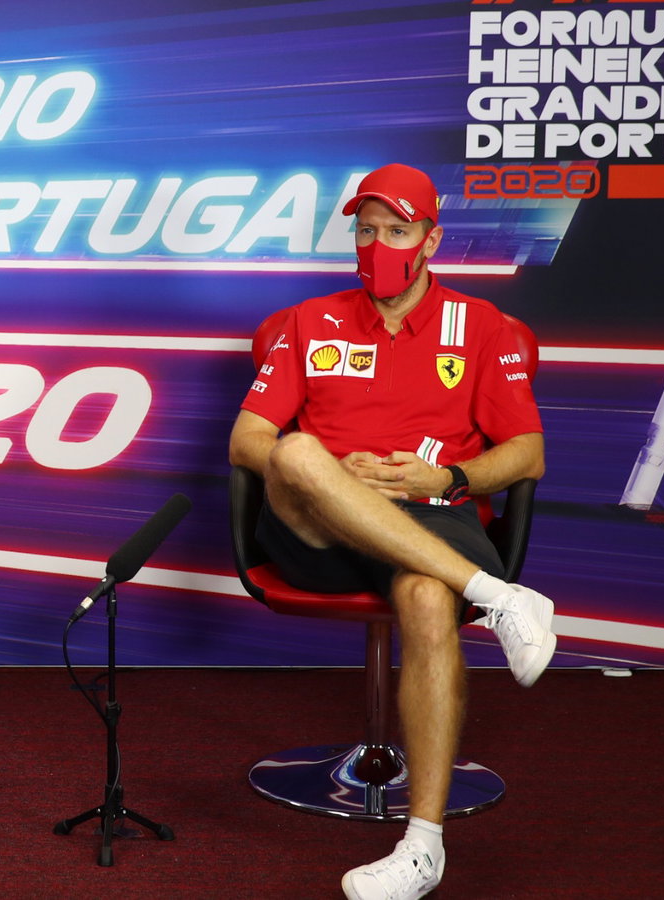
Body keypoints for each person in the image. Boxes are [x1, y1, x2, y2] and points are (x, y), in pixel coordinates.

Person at [227, 163, 556, 900]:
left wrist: (447, 477)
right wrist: (335, 472)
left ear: (431, 240)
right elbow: (247, 440)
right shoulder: (309, 321)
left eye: (397, 231)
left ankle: (422, 847)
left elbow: (526, 454)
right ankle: (499, 596)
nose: (377, 245)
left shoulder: (480, 326)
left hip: (431, 510)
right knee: (296, 452)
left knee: (428, 598)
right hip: (319, 527)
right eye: (365, 230)